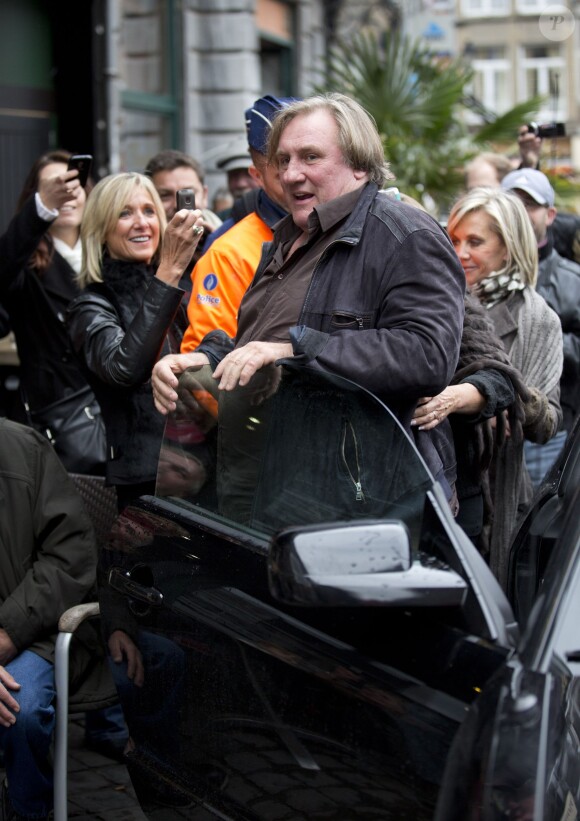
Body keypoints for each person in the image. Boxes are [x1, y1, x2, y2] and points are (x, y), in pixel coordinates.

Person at [152, 93, 466, 510]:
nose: (290, 174)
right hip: (267, 482)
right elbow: (259, 344)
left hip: (361, 502)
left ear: (359, 164)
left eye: (310, 157)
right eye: (283, 160)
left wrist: (296, 349)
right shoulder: (287, 239)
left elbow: (427, 355)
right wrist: (202, 361)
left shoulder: (406, 235)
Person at [66, 172, 205, 512]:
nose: (141, 223)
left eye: (149, 211)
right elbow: (124, 369)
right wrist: (168, 272)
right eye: (125, 213)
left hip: (200, 468)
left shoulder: (184, 285)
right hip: (147, 484)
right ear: (101, 229)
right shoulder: (90, 305)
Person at [447, 187, 563, 587]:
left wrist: (506, 399)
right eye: (454, 240)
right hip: (437, 479)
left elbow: (548, 422)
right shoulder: (436, 299)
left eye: (475, 242)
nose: (460, 253)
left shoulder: (537, 318)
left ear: (508, 248)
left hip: (495, 490)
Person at [0, 417, 99, 821]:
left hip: (31, 631)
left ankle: (27, 810)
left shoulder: (23, 448)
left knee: (19, 711)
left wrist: (9, 631)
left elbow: (69, 556)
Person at [0, 149, 106, 474]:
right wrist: (40, 211)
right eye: (54, 186)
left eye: (73, 184)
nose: (65, 193)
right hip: (56, 421)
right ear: (36, 198)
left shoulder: (110, 255)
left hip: (111, 415)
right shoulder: (23, 264)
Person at [180, 94, 293, 351]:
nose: (297, 176)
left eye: (311, 158)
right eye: (282, 166)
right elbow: (203, 364)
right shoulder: (228, 254)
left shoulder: (348, 228)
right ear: (258, 176)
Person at [499, 167, 580, 485]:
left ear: (550, 214)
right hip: (488, 430)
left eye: (529, 205)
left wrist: (544, 339)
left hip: (550, 432)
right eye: (513, 203)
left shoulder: (572, 281)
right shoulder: (476, 271)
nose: (521, 212)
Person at [144, 149, 222, 277]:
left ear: (204, 196)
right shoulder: (141, 251)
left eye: (187, 196)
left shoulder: (229, 240)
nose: (178, 205)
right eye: (165, 195)